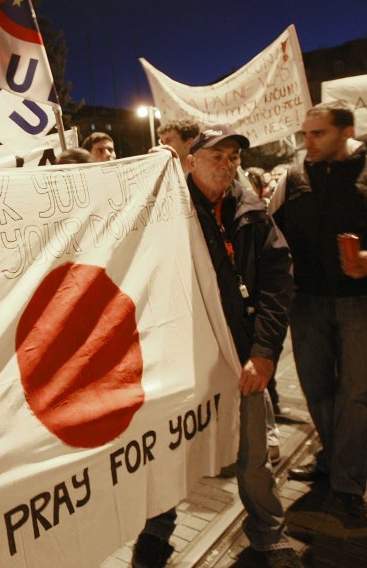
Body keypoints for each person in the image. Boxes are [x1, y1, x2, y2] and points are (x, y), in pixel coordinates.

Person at [133, 125, 300, 568]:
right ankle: (156, 531)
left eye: (233, 157)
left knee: (251, 457)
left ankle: (269, 535)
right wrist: (140, 176)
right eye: (216, 156)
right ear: (191, 161)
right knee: (169, 454)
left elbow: (277, 284)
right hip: (178, 358)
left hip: (238, 355)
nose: (227, 165)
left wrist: (263, 353)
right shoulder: (168, 207)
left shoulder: (252, 211)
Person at [270, 101, 367, 524]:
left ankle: (348, 483)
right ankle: (333, 456)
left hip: (361, 304)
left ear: (346, 132)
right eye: (305, 134)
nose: (307, 142)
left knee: (358, 393)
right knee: (318, 389)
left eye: (318, 134)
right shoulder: (293, 177)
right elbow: (269, 232)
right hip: (306, 303)